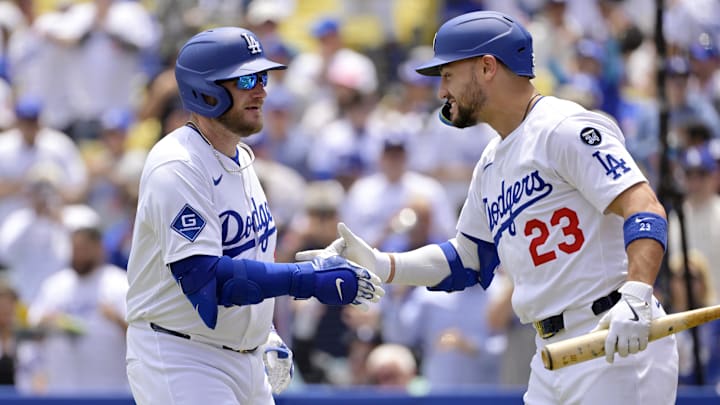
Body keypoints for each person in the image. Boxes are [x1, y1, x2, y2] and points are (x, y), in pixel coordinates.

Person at [298, 11, 679, 404]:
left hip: (615, 334)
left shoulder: (563, 127)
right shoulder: (491, 160)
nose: (441, 91)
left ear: (486, 67)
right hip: (550, 353)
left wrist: (636, 296)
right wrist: (384, 265)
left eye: (447, 75)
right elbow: (466, 259)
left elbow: (643, 206)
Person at [124, 27, 383, 405]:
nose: (261, 89)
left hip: (239, 358)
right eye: (246, 79)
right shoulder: (177, 164)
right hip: (181, 355)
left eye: (263, 77)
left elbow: (248, 261)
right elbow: (206, 280)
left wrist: (265, 333)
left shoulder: (241, 158)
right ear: (205, 90)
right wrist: (304, 280)